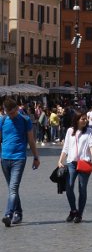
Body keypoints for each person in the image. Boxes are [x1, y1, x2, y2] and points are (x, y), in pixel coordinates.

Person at [0, 97, 40, 227]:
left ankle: (8, 214)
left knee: (13, 188)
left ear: (17, 108)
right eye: (8, 113)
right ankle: (18, 212)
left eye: (12, 113)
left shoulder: (25, 120)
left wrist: (36, 157)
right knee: (13, 188)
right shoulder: (3, 120)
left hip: (19, 158)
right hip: (4, 158)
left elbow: (31, 140)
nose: (11, 116)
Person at [57, 112, 92, 224]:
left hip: (84, 163)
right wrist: (60, 160)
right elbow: (66, 147)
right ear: (77, 120)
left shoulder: (89, 131)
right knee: (69, 187)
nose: (85, 121)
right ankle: (73, 210)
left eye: (86, 119)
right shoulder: (70, 131)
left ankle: (80, 214)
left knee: (82, 189)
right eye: (83, 119)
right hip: (71, 163)